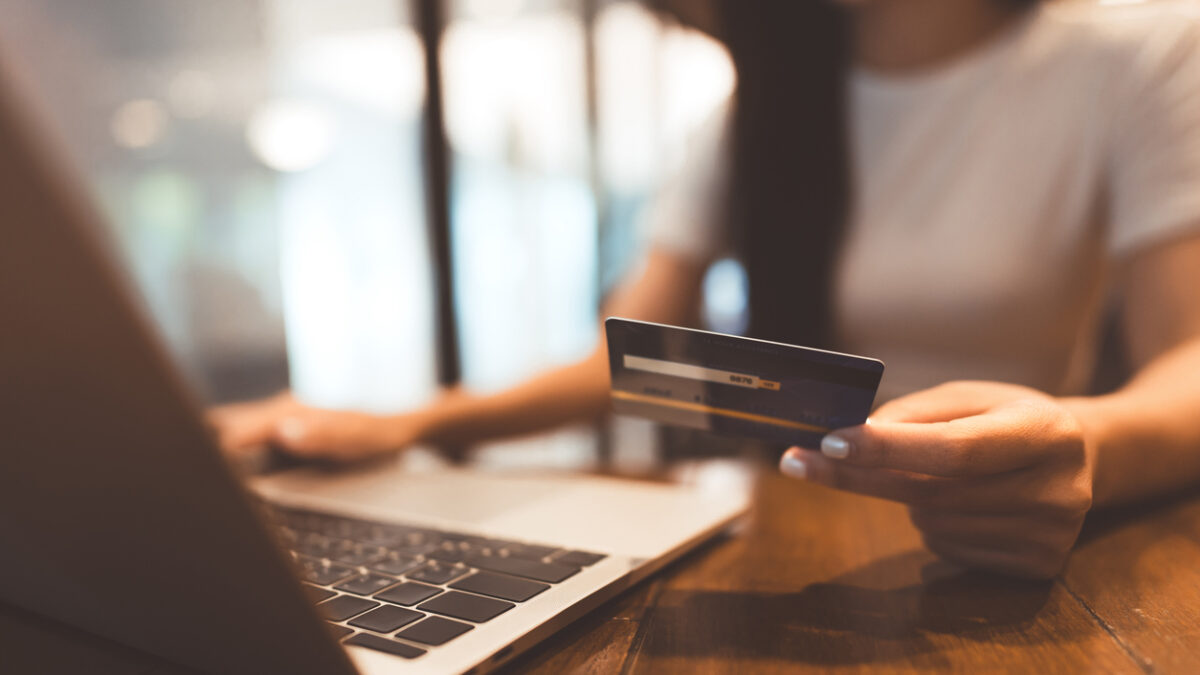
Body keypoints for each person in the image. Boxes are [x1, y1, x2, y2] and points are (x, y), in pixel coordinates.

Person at [212, 0, 1200, 579]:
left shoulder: (1137, 54)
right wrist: (411, 424)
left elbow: (1187, 359)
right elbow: (636, 352)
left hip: (1005, 545)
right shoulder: (767, 99)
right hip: (792, 532)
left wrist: (1089, 448)